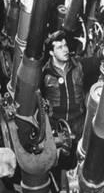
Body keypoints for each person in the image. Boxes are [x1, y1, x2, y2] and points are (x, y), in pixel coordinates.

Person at [42, 30, 100, 169]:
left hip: (80, 123)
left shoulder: (79, 66)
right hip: (58, 127)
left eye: (66, 45)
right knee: (62, 164)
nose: (65, 50)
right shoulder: (44, 73)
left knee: (83, 159)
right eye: (60, 47)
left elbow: (98, 62)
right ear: (51, 53)